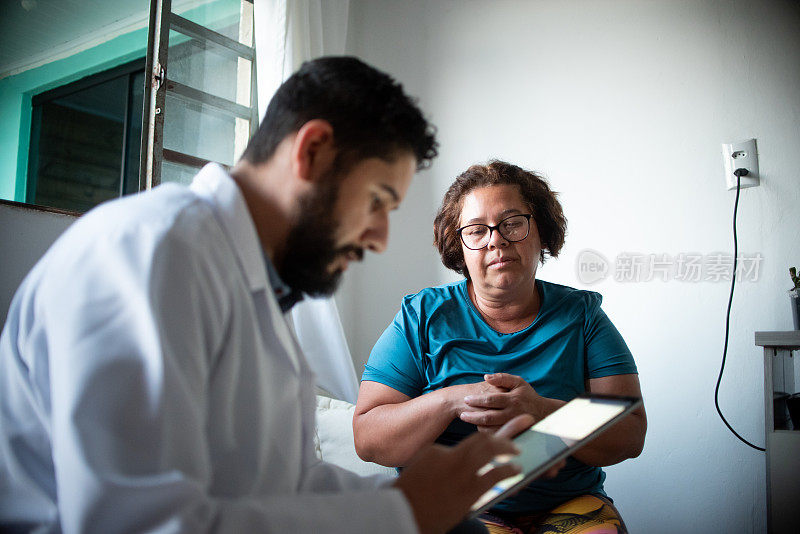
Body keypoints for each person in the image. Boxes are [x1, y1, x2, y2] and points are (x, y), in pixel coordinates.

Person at [0, 57, 531, 534]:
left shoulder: (258, 291)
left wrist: (409, 499)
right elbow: (141, 524)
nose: (379, 238)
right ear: (314, 151)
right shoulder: (151, 254)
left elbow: (283, 487)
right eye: (377, 201)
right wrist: (400, 513)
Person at [354, 160, 647, 534]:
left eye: (512, 224)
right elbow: (367, 438)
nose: (496, 240)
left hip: (568, 502)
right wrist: (453, 400)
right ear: (459, 248)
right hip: (462, 505)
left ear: (541, 232)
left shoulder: (583, 316)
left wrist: (540, 409)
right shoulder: (421, 317)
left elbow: (631, 433)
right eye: (477, 230)